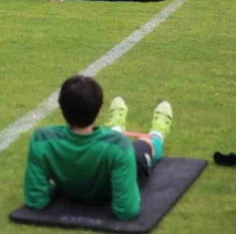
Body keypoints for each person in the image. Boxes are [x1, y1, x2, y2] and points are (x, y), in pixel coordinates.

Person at [24, 75, 173, 221]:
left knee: (114, 142)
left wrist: (55, 186)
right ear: (99, 109)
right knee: (146, 144)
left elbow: (36, 199)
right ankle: (157, 134)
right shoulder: (120, 147)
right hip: (116, 172)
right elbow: (127, 211)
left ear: (61, 106)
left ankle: (117, 126)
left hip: (105, 156)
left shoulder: (42, 139)